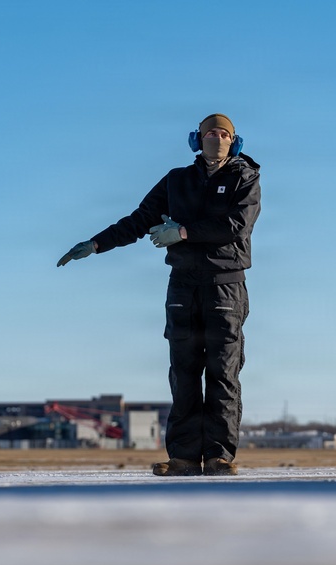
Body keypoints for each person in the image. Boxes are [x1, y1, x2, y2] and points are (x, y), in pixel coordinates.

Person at [57, 113, 261, 476]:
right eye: (210, 133)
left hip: (225, 285)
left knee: (223, 373)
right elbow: (140, 220)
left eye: (223, 134)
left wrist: (182, 233)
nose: (216, 139)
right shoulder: (176, 180)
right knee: (183, 373)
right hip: (182, 285)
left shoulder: (244, 178)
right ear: (196, 140)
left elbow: (236, 225)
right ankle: (183, 457)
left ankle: (219, 457)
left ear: (235, 142)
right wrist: (97, 243)